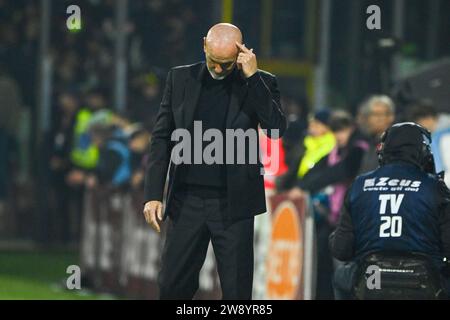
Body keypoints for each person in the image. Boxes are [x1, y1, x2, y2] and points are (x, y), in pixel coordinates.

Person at [142, 23, 286, 300]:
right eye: (214, 61)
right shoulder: (180, 78)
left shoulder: (262, 82)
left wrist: (252, 77)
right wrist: (152, 195)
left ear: (242, 53)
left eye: (227, 64)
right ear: (204, 45)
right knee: (171, 286)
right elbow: (161, 138)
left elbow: (276, 129)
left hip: (234, 204)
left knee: (236, 292)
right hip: (186, 201)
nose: (219, 69)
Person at [329, 122, 450, 299]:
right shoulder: (434, 187)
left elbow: (341, 250)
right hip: (423, 284)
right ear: (423, 152)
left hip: (373, 278)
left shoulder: (360, 185)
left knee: (341, 276)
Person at [357, 95, 395, 174]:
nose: (376, 119)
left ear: (391, 117)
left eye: (380, 114)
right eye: (373, 114)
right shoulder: (371, 143)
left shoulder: (395, 142)